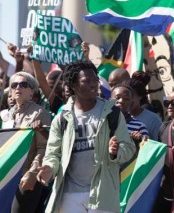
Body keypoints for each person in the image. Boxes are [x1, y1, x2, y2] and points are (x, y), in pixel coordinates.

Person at [36, 60, 136, 213]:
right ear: (74, 85)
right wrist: (49, 168)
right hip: (70, 195)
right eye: (86, 81)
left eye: (95, 80)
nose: (94, 84)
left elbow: (128, 149)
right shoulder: (62, 118)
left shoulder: (112, 113)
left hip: (103, 193)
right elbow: (53, 154)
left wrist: (115, 152)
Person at [0, 71, 51, 213]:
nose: (18, 88)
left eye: (23, 85)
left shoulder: (40, 113)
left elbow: (44, 147)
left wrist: (33, 173)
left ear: (31, 91)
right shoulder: (6, 116)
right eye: (14, 85)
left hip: (26, 176)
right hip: (7, 175)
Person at [110, 83, 149, 148]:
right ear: (110, 101)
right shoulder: (102, 121)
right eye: (117, 97)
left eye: (126, 99)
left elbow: (147, 149)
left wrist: (139, 140)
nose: (121, 101)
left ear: (131, 104)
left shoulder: (139, 126)